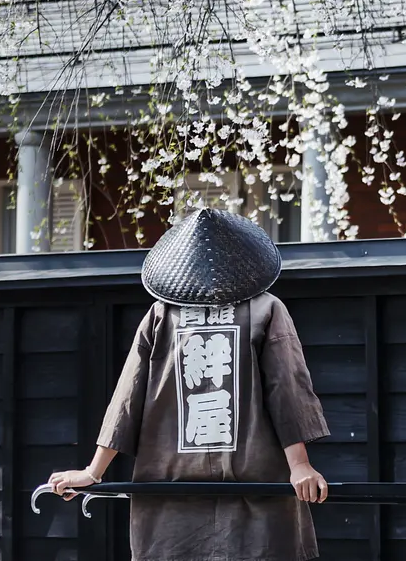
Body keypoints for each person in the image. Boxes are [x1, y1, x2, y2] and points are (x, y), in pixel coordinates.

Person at [46, 209, 331, 561]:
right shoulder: (261, 307)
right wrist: (298, 465)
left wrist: (95, 471)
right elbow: (286, 388)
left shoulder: (163, 314)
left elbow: (127, 399)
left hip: (170, 488)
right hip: (253, 484)